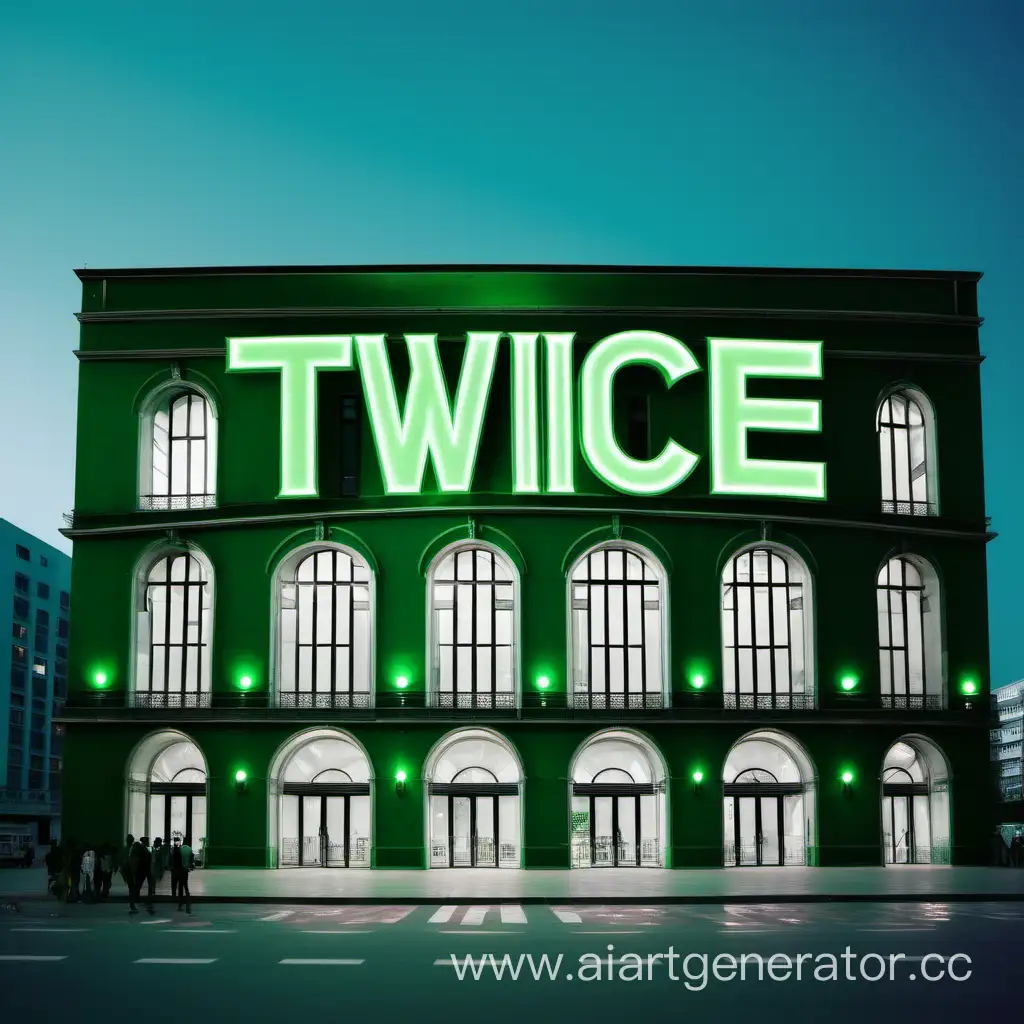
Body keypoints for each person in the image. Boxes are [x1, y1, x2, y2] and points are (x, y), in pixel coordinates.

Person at [128, 835, 151, 914]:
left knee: (137, 886)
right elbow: (143, 860)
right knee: (137, 886)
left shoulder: (141, 848)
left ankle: (133, 901)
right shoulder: (142, 849)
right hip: (141, 870)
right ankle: (133, 901)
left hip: (140, 870)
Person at [173, 836, 193, 913]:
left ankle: (180, 904)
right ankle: (188, 901)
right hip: (185, 870)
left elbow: (177, 860)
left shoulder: (180, 849)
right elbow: (191, 859)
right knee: (186, 886)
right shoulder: (189, 849)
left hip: (179, 870)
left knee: (180, 887)